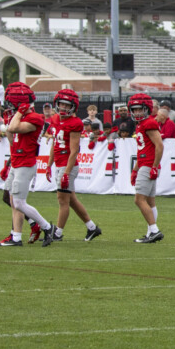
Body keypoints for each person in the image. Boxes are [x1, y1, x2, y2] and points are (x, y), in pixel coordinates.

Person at [0, 82, 56, 247]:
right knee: (12, 199)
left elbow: (14, 127)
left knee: (20, 202)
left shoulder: (35, 118)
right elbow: (11, 138)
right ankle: (15, 236)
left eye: (11, 104)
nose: (9, 108)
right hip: (17, 162)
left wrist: (20, 112)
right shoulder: (22, 116)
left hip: (25, 163)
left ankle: (46, 227)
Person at [46, 89, 102, 242]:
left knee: (62, 200)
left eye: (66, 105)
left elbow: (74, 150)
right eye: (61, 104)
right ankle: (92, 228)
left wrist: (66, 172)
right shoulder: (56, 119)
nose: (63, 108)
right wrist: (49, 164)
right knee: (71, 200)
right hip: (59, 163)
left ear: (73, 107)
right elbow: (54, 143)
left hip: (67, 165)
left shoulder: (75, 123)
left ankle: (57, 233)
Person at [127, 94, 164, 243]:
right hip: (146, 164)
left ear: (146, 109)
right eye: (134, 110)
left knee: (139, 199)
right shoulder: (141, 124)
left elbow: (160, 146)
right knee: (150, 201)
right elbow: (142, 151)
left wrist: (154, 166)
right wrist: (135, 169)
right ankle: (151, 233)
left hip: (149, 165)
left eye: (139, 110)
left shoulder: (148, 123)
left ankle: (154, 230)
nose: (137, 113)